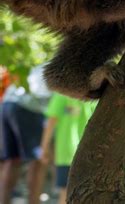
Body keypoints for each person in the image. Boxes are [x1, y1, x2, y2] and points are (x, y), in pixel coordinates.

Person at [0, 65, 51, 204]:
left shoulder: (35, 60)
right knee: (38, 159)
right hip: (29, 107)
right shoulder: (56, 60)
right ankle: (33, 202)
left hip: (7, 104)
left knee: (12, 159)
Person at [39, 92, 95, 204]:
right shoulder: (94, 97)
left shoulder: (61, 93)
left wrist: (44, 147)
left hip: (66, 153)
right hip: (89, 154)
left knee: (65, 192)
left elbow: (51, 121)